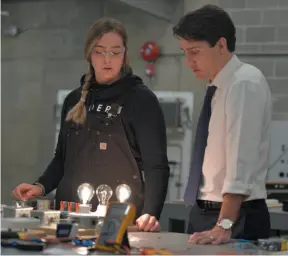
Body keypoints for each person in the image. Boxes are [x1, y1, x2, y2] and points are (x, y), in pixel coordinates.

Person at [12, 17, 170, 232]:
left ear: (124, 55)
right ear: (89, 54)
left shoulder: (141, 100)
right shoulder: (74, 100)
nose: (108, 59)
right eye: (100, 51)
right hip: (69, 216)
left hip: (119, 218)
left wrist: (150, 213)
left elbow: (156, 165)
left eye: (115, 52)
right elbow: (62, 158)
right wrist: (40, 186)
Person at [173, 5, 272, 244]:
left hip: (234, 217)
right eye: (184, 52)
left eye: (194, 51)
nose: (188, 61)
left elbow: (240, 162)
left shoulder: (244, 83)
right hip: (205, 212)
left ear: (220, 44)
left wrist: (224, 224)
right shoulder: (217, 88)